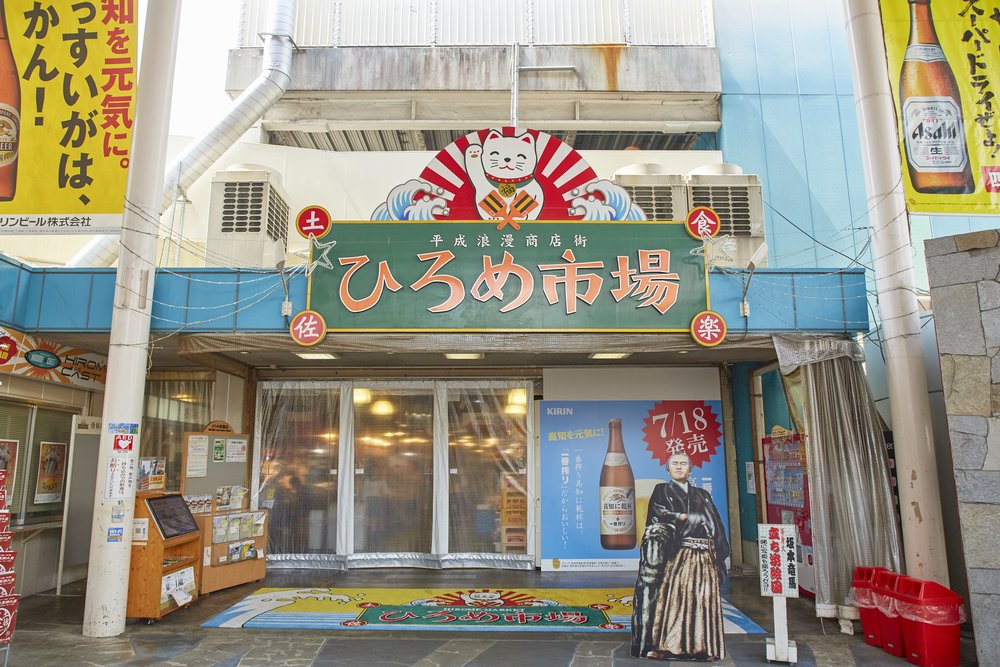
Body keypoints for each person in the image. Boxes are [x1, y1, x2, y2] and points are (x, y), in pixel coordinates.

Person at [631, 452, 731, 661]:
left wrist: (719, 552)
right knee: (676, 601)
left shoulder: (702, 494)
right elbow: (657, 515)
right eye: (674, 463)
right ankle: (670, 646)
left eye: (683, 463)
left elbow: (715, 522)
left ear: (690, 469)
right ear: (667, 469)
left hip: (704, 557)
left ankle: (702, 648)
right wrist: (679, 517)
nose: (678, 467)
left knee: (703, 600)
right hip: (680, 555)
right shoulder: (662, 491)